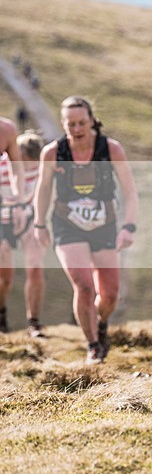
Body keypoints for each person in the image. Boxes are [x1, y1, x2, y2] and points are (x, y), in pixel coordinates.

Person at [33, 96, 138, 364]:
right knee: (84, 285)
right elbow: (43, 190)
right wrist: (39, 223)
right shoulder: (53, 153)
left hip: (105, 225)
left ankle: (101, 324)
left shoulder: (110, 149)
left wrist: (128, 226)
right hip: (67, 225)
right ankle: (92, 346)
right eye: (71, 125)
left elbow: (130, 191)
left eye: (81, 123)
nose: (77, 129)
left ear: (92, 120)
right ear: (63, 124)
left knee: (110, 294)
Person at [0, 132, 47, 338]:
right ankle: (2, 315)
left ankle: (34, 322)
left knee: (35, 269)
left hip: (30, 220)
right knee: (5, 278)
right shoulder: (3, 165)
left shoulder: (43, 168)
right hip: (3, 221)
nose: (29, 166)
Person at [0, 117, 28, 334]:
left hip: (4, 208)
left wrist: (18, 199)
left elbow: (16, 168)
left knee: (6, 276)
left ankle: (1, 311)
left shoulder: (7, 129)